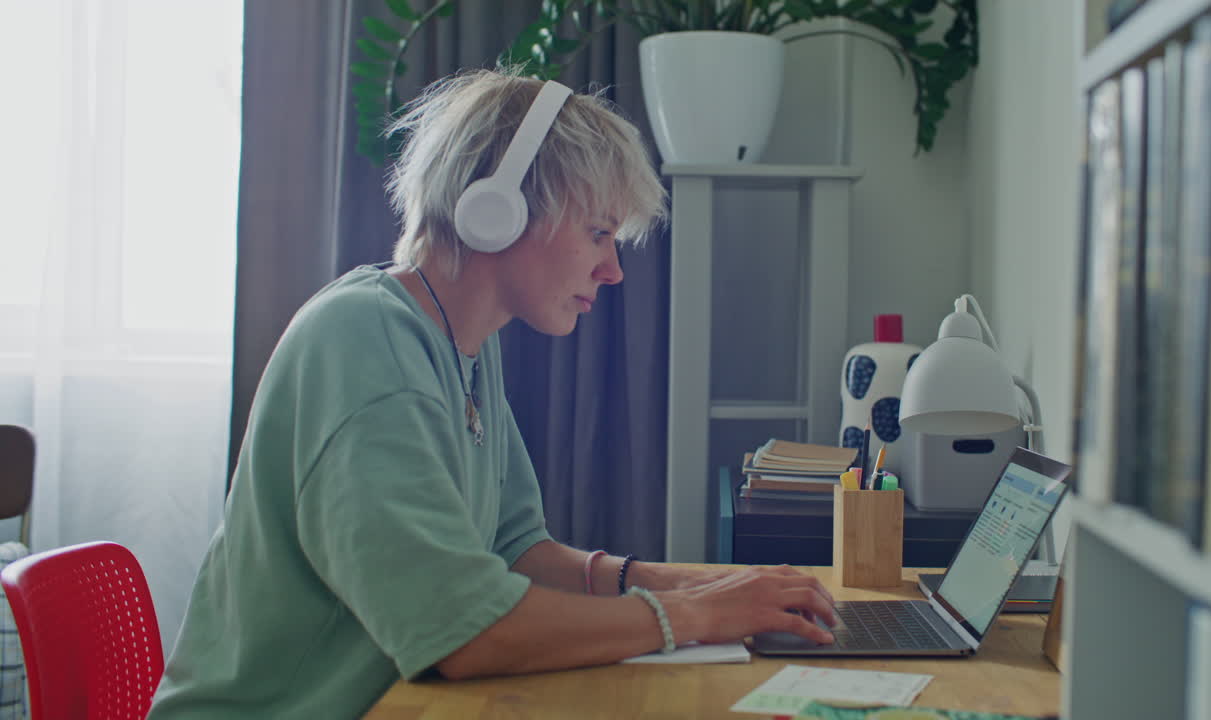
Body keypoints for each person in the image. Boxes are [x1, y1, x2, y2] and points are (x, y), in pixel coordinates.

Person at [148, 68, 836, 719]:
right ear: (496, 210)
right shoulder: (363, 342)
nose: (612, 269)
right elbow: (465, 633)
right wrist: (699, 617)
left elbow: (516, 552)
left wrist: (695, 584)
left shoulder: (458, 345)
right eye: (598, 232)